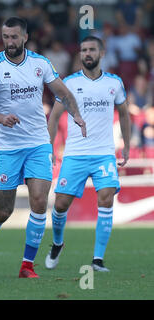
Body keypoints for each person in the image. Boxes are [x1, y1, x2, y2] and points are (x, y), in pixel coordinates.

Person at [0, 17, 86, 278]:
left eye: (14, 37)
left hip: (37, 143)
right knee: (4, 211)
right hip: (7, 147)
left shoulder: (40, 63)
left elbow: (65, 93)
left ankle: (27, 265)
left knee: (39, 202)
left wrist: (77, 115)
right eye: (5, 37)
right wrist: (2, 118)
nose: (9, 42)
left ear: (25, 37)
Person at [45, 36, 131, 272]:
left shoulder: (114, 82)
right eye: (83, 50)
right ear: (80, 54)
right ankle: (57, 243)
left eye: (92, 49)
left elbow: (124, 114)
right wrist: (50, 148)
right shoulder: (69, 83)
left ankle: (97, 260)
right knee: (61, 204)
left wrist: (126, 145)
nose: (87, 53)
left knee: (106, 198)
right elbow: (53, 118)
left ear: (101, 53)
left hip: (104, 154)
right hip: (75, 155)